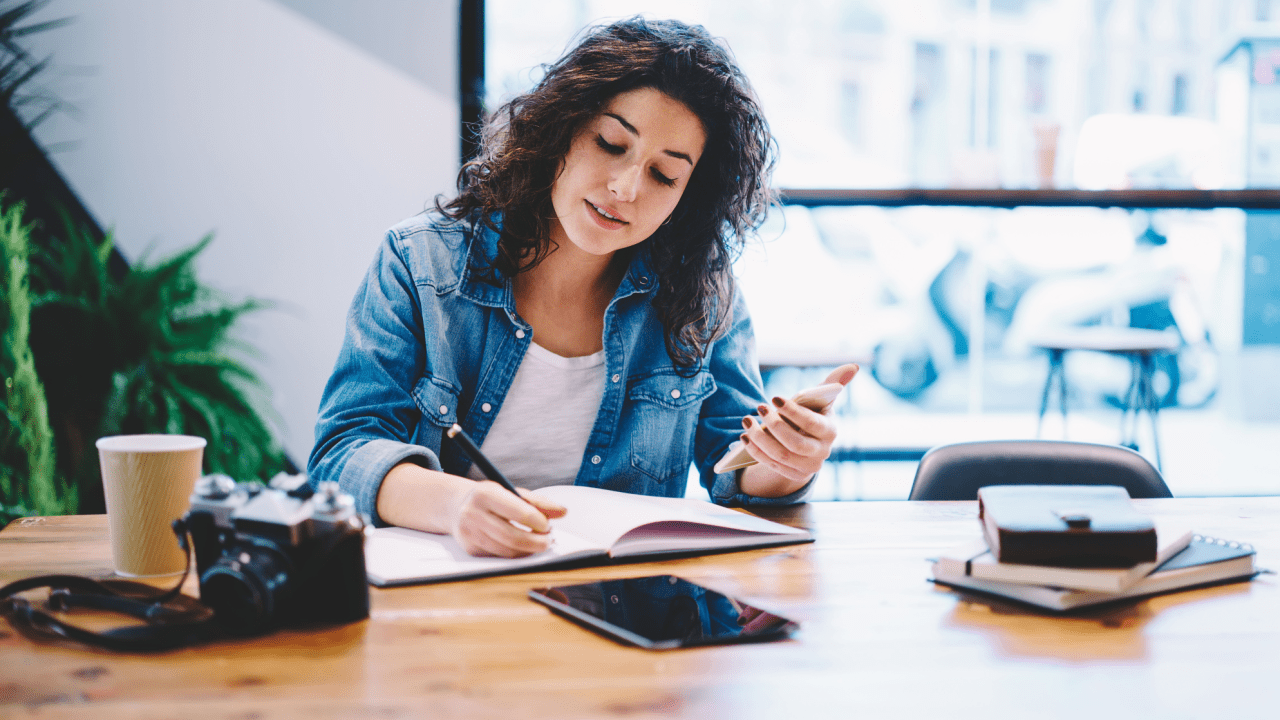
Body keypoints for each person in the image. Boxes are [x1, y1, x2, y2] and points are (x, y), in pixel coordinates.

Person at [308, 17, 857, 558]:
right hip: (442, 607)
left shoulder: (700, 294)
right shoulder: (421, 262)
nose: (625, 188)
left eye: (665, 176)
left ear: (688, 196)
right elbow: (341, 452)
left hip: (619, 607)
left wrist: (786, 462)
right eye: (610, 143)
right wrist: (456, 505)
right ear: (563, 129)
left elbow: (732, 467)